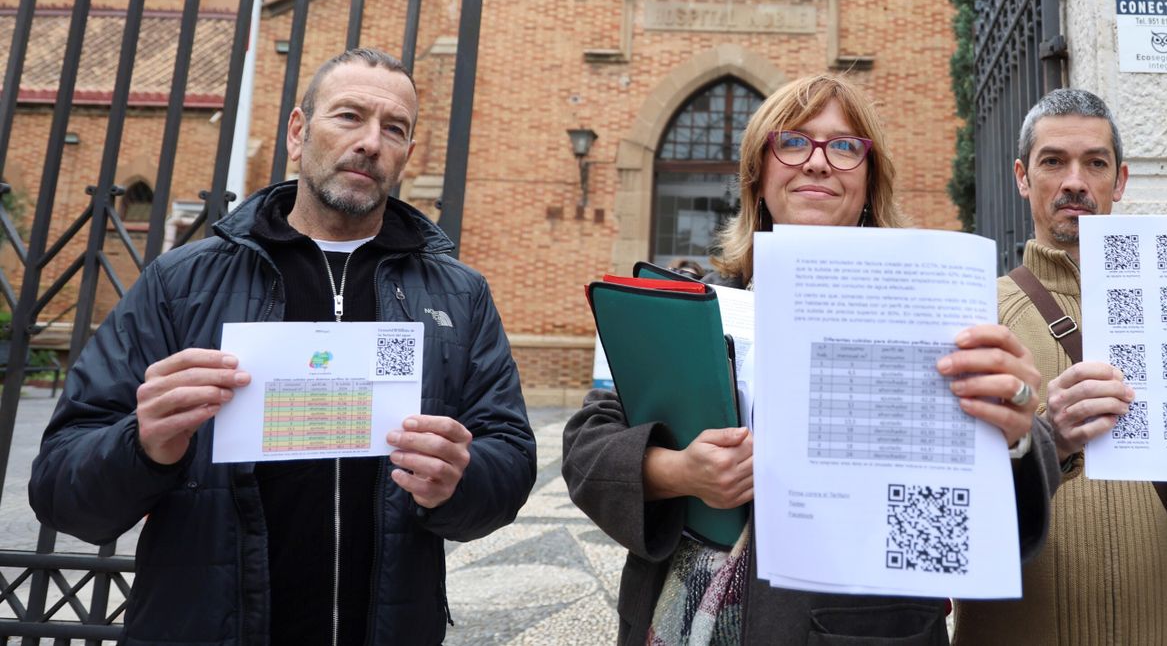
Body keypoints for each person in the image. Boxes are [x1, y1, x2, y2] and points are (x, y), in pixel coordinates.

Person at [30, 48, 538, 646]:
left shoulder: (460, 295)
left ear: (405, 153)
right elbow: (61, 491)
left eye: (393, 128)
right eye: (348, 116)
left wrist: (462, 479)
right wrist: (143, 445)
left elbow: (510, 460)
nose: (371, 142)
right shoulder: (182, 283)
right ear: (297, 134)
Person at [563, 73, 1060, 646]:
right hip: (683, 619)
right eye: (793, 142)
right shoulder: (704, 305)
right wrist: (677, 472)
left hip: (865, 630)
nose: (819, 162)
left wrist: (1017, 432)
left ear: (871, 184)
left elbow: (999, 515)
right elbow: (586, 445)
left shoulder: (931, 309)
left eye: (845, 146)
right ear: (759, 178)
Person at [954, 87, 1167, 645]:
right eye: (1053, 161)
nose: (1075, 181)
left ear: (1120, 180)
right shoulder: (975, 317)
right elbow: (955, 501)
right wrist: (1046, 438)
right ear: (1022, 177)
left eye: (1095, 163)